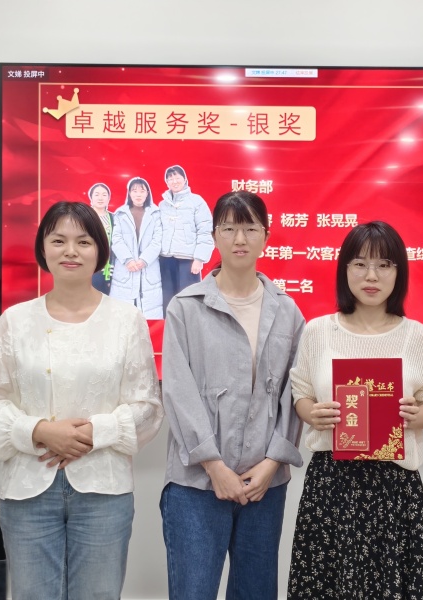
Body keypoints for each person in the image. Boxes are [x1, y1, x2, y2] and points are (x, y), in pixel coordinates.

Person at [0, 201, 164, 600]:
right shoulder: (15, 320)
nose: (71, 251)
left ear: (99, 250)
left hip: (103, 488)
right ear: (43, 249)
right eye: (59, 240)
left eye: (83, 241)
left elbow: (148, 408)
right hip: (28, 488)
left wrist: (93, 433)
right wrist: (40, 431)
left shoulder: (126, 320)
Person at [287, 221, 423, 599]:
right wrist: (311, 413)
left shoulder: (418, 336)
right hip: (331, 485)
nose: (371, 276)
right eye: (360, 264)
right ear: (345, 270)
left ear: (399, 272)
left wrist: (417, 415)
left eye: (384, 265)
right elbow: (301, 392)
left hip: (395, 488)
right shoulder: (318, 331)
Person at [160, 190, 305, 599]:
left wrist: (273, 463)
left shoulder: (288, 311)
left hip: (264, 485)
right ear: (214, 236)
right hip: (196, 484)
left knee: (256, 592)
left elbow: (295, 394)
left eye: (250, 229)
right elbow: (178, 391)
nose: (239, 238)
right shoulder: (185, 307)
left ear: (266, 236)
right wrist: (213, 464)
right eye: (228, 228)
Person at [158, 164, 214, 314]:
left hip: (188, 260)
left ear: (184, 179)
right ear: (166, 182)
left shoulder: (196, 201)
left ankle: (191, 327)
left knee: (189, 300)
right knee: (167, 300)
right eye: (170, 178)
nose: (174, 181)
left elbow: (205, 231)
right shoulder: (162, 205)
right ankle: (168, 326)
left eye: (177, 177)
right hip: (165, 259)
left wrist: (199, 259)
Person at [110, 177, 163, 318]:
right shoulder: (120, 213)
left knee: (148, 318)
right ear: (129, 193)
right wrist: (128, 260)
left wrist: (144, 260)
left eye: (142, 191)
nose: (138, 194)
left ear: (147, 193)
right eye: (134, 191)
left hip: (149, 268)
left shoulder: (156, 213)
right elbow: (116, 239)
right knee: (121, 318)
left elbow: (158, 240)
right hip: (125, 268)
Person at [87, 182, 114, 294]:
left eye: (104, 195)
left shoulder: (113, 217)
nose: (100, 198)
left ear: (108, 198)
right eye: (97, 194)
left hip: (109, 268)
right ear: (91, 197)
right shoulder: (84, 217)